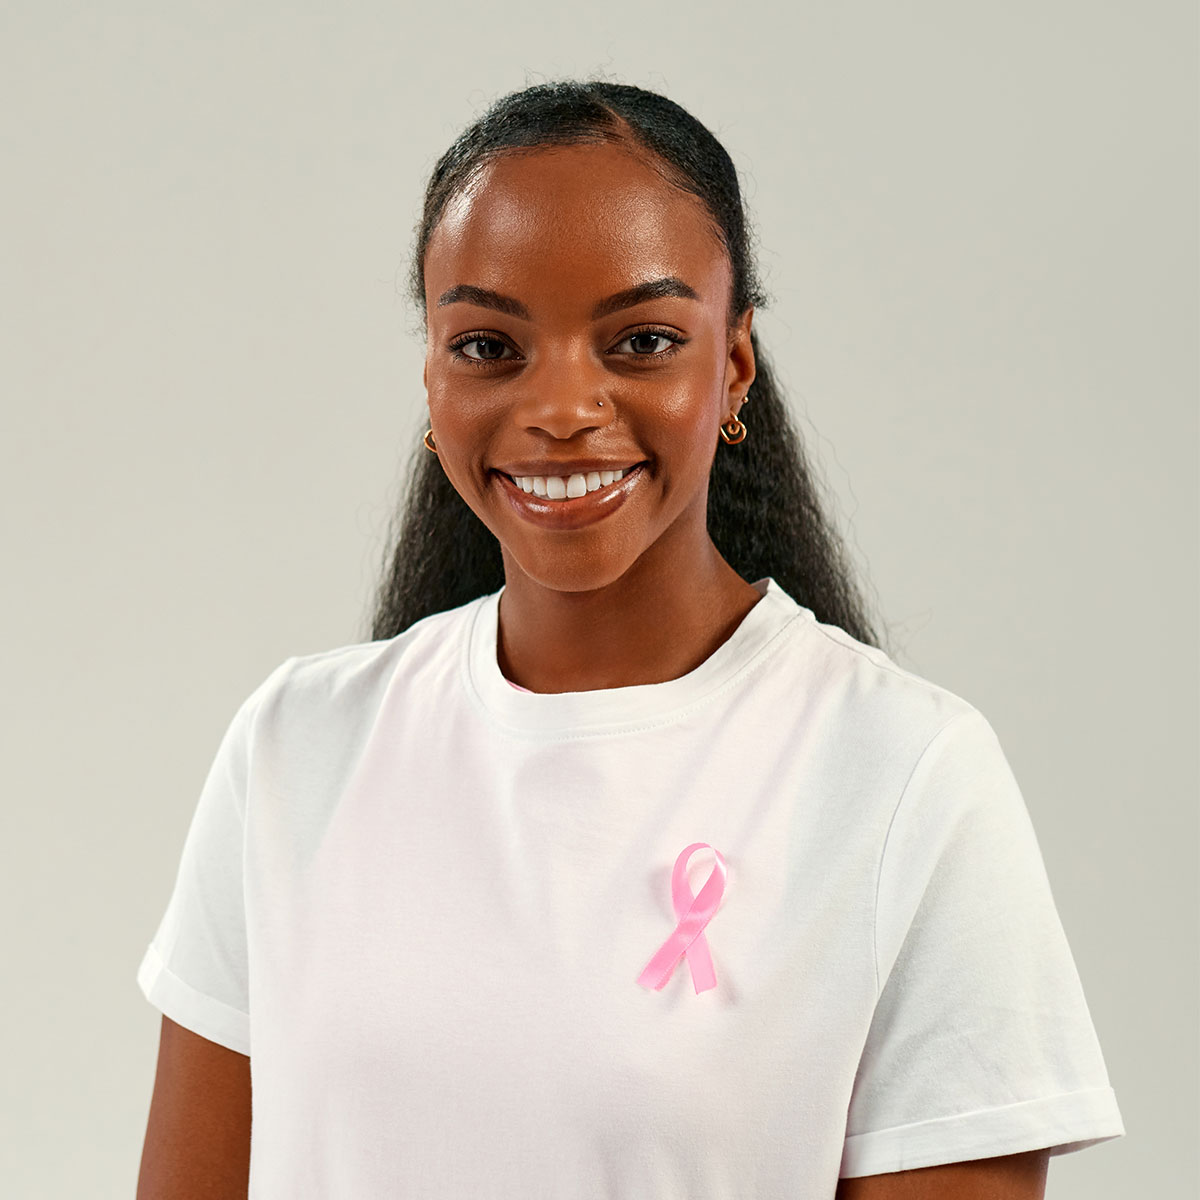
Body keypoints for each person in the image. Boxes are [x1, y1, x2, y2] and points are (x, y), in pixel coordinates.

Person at [135, 80, 1124, 1199]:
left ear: (733, 365)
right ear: (431, 376)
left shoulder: (904, 778)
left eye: (642, 340)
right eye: (488, 346)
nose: (561, 405)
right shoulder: (293, 750)